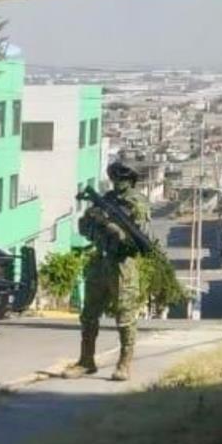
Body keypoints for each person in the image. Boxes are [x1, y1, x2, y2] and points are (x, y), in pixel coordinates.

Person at [61, 162, 150, 382]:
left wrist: (109, 225)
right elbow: (84, 228)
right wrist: (94, 222)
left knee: (125, 315)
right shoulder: (106, 200)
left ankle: (124, 363)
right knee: (89, 314)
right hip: (100, 260)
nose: (117, 182)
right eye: (114, 178)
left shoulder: (137, 204)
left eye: (122, 178)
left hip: (122, 264)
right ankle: (86, 360)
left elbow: (135, 237)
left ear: (130, 180)